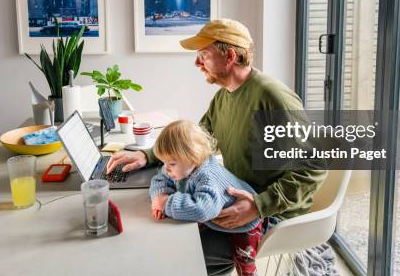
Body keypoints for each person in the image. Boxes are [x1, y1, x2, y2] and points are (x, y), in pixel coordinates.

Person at [107, 19, 328, 275]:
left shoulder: (273, 98)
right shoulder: (225, 96)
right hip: (232, 197)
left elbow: (314, 166)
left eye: (203, 55)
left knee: (170, 253)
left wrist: (259, 205)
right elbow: (192, 144)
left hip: (270, 214)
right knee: (162, 237)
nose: (197, 63)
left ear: (230, 56)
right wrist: (147, 156)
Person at [149, 120, 262, 276]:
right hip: (216, 214)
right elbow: (160, 179)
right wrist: (160, 195)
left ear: (192, 158)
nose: (167, 168)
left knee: (244, 261)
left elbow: (202, 210)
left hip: (245, 221)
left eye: (171, 163)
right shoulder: (180, 166)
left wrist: (168, 204)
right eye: (164, 162)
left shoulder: (207, 176)